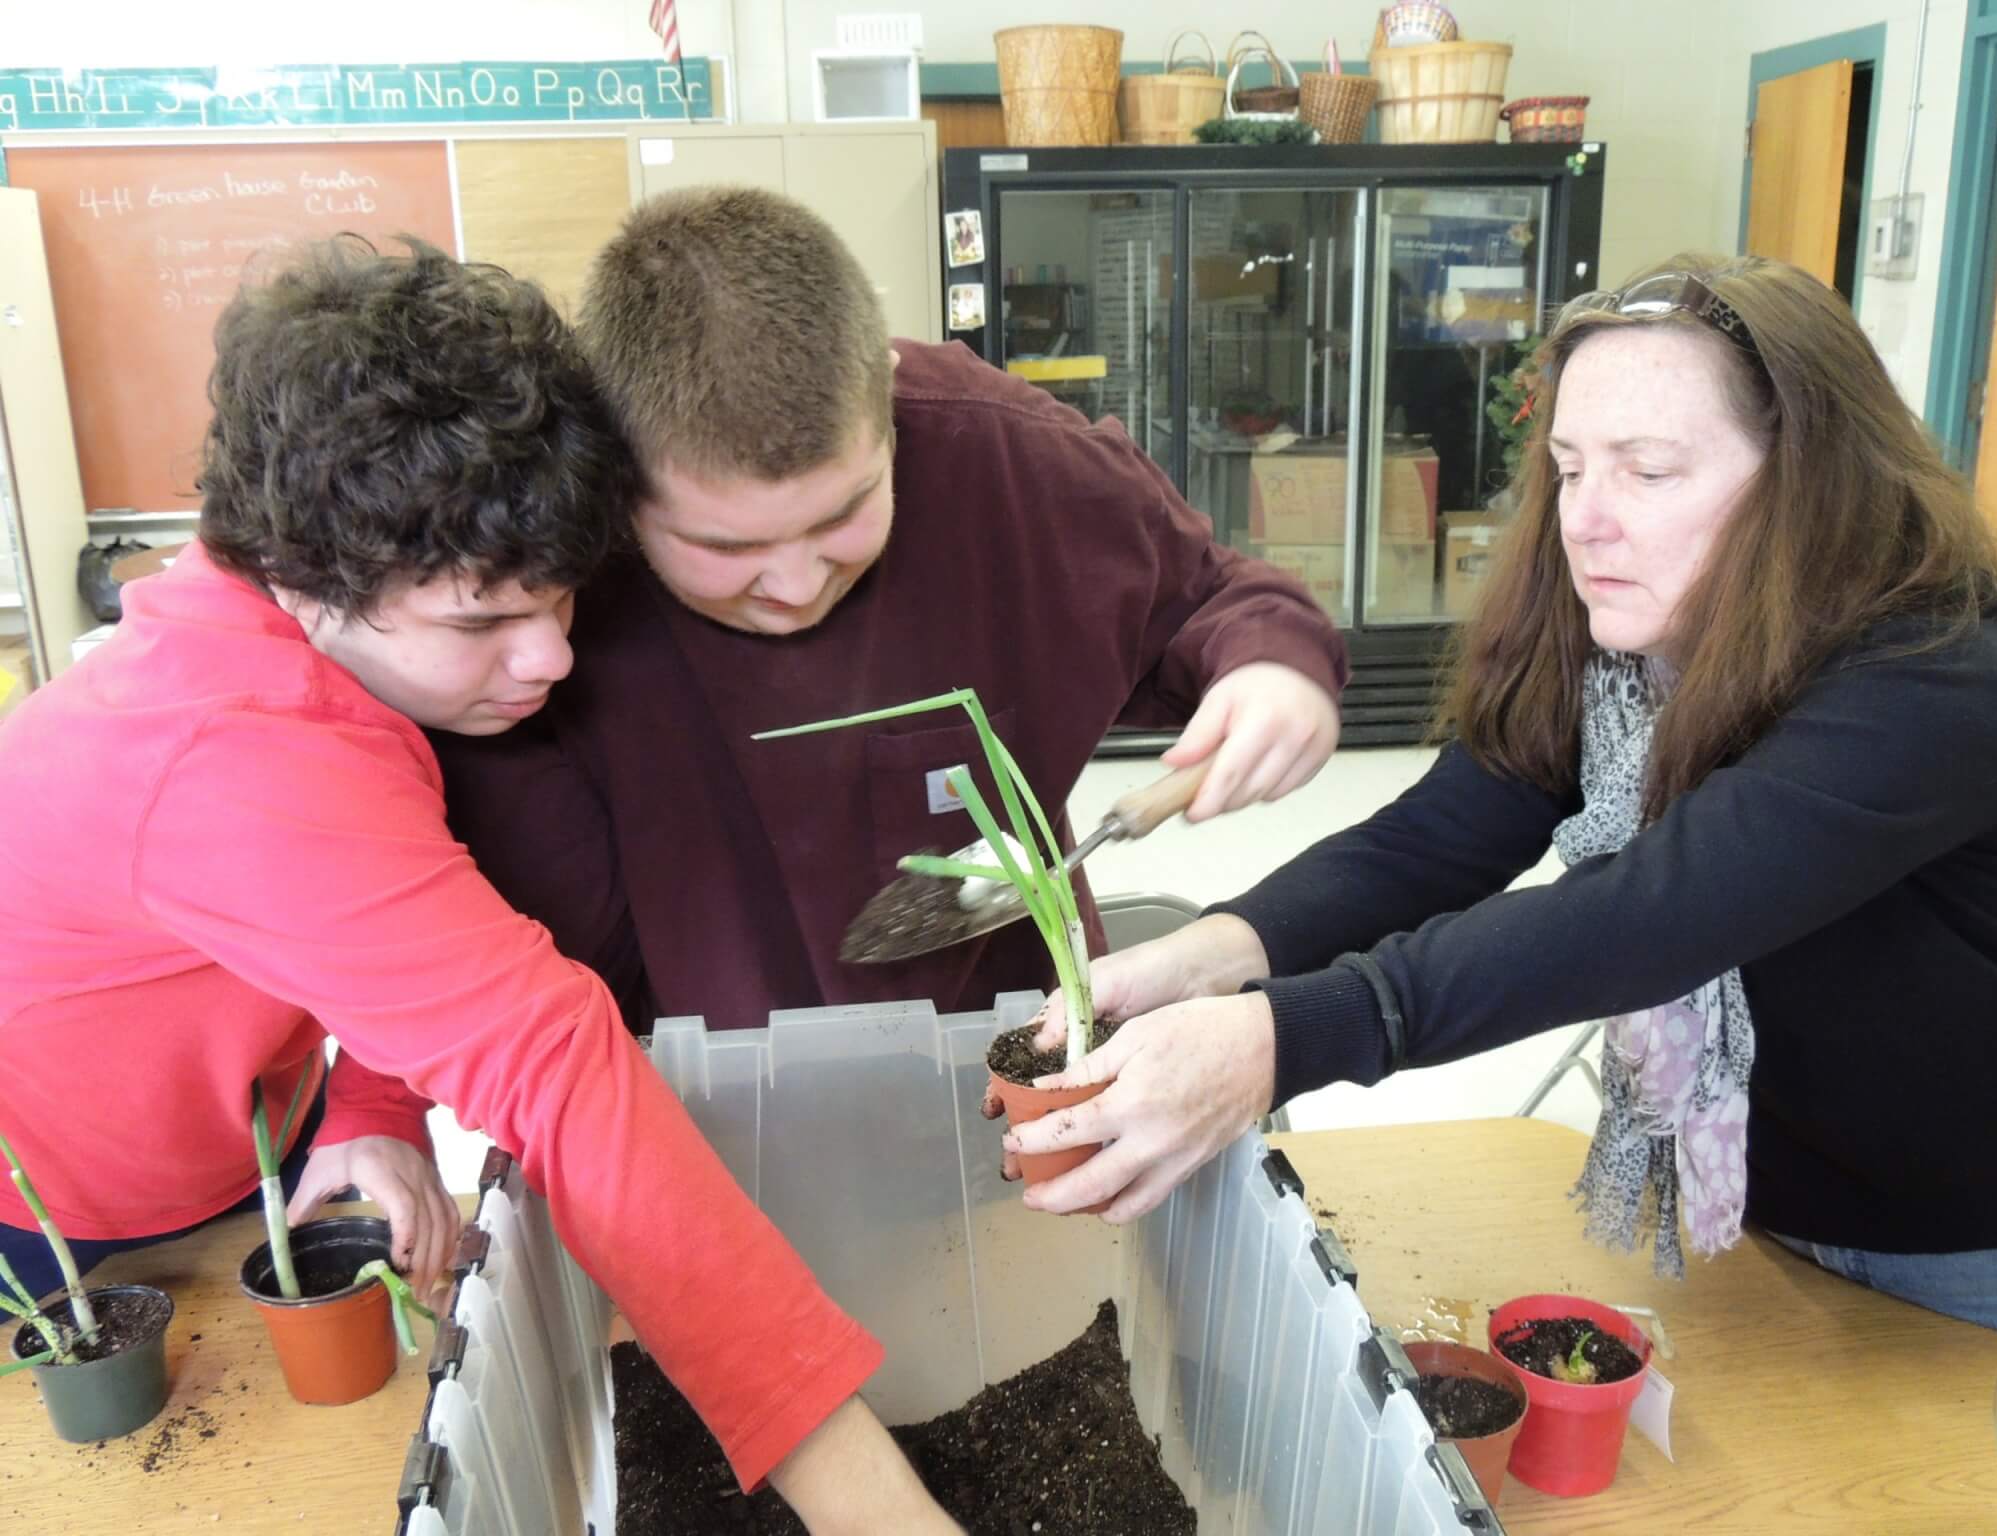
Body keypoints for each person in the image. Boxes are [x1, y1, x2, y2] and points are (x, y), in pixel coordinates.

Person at [0, 237, 957, 1532]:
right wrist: (879, 1510)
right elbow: (546, 1058)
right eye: (482, 623)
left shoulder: (324, 631)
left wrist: (375, 1105)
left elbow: (396, 919)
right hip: (54, 1221)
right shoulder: (230, 760)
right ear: (303, 578)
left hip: (243, 1156)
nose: (552, 657)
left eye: (560, 599)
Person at [1002, 253, 1997, 1336]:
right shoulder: (1629, 643)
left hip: (1965, 1246)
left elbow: (1648, 915)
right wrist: (1217, 950)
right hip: (1737, 1200)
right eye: (1568, 468)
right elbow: (1438, 837)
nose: (1585, 520)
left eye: (1646, 472)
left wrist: (1276, 1038)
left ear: (1810, 482)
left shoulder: (1942, 678)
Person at [429, 185, 1348, 1033]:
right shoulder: (543, 567)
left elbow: (1213, 596)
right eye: (724, 548)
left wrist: (1273, 666)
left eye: (842, 515)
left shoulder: (1002, 458)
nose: (793, 585)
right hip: (682, 1086)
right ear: (620, 494)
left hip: (1009, 1047)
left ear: (889, 414)